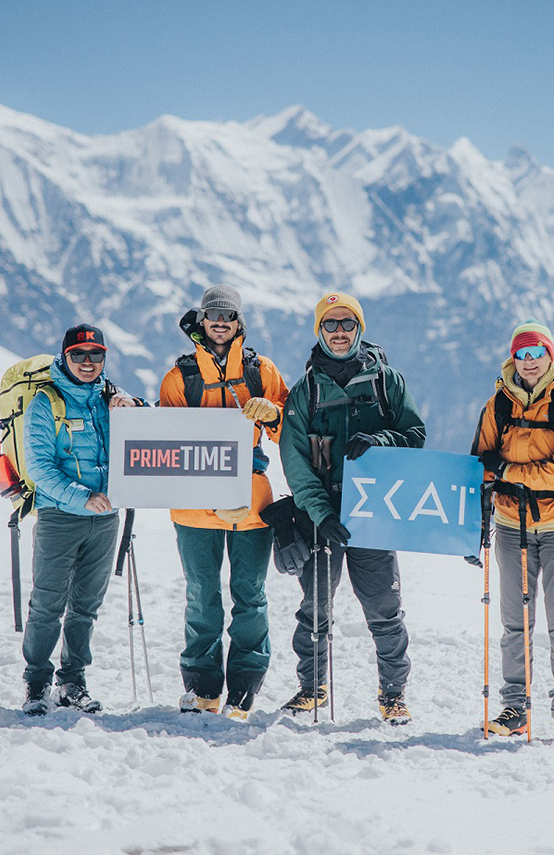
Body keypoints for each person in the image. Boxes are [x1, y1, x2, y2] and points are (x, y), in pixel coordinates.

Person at [279, 291, 426, 724]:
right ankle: (311, 688)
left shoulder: (387, 382)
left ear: (359, 327)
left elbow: (414, 434)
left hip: (374, 512)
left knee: (383, 606)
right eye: (330, 324)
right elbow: (295, 461)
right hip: (321, 515)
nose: (339, 332)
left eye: (346, 323)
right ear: (319, 330)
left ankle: (393, 693)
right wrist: (320, 514)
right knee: (315, 606)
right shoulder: (304, 391)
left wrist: (381, 441)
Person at [159, 285, 290, 720]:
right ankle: (202, 686)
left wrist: (273, 414)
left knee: (250, 595)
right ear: (201, 320)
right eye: (212, 314)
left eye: (228, 314)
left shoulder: (262, 371)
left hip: (251, 505)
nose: (220, 321)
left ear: (239, 322)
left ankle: (245, 687)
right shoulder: (179, 376)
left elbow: (292, 426)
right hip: (195, 508)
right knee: (202, 595)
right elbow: (166, 445)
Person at [471, 320, 554, 744]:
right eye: (520, 354)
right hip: (510, 526)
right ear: (512, 359)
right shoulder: (498, 405)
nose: (528, 362)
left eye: (535, 352)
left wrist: (508, 472)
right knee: (515, 624)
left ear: (550, 355)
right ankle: (515, 709)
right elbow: (479, 461)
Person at [21, 323, 143, 715]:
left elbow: (145, 436)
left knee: (86, 605)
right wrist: (82, 497)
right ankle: (37, 682)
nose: (88, 362)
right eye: (79, 355)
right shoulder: (46, 401)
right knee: (47, 604)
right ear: (65, 357)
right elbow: (39, 466)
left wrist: (136, 408)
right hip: (60, 516)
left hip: (105, 519)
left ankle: (72, 681)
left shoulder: (110, 397)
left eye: (96, 355)